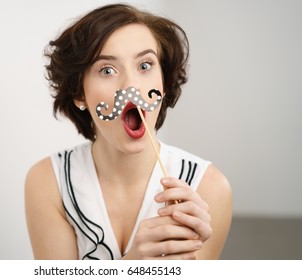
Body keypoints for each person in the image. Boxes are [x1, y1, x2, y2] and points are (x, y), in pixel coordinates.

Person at [25, 3, 232, 260]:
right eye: (107, 70)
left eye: (145, 66)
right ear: (79, 93)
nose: (130, 87)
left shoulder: (209, 188)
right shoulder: (48, 182)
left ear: (164, 83)